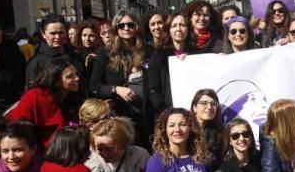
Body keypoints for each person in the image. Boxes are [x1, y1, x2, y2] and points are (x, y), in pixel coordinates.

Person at [90, 11, 153, 150]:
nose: (126, 28)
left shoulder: (148, 50)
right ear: (115, 28)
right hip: (120, 118)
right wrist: (116, 89)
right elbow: (94, 86)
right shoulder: (105, 53)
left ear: (136, 26)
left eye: (130, 24)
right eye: (121, 25)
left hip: (147, 117)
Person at [6, 56, 84, 148]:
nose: (77, 78)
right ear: (56, 82)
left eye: (76, 74)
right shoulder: (37, 95)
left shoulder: (72, 95)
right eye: (70, 76)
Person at [25, 14, 86, 87]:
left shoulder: (75, 55)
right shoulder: (36, 63)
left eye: (61, 33)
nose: (57, 37)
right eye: (53, 33)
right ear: (43, 34)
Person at [148, 12, 189, 116]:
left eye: (182, 25)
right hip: (168, 114)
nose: (178, 29)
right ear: (169, 31)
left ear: (188, 29)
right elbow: (154, 90)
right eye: (174, 26)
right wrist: (165, 112)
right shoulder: (158, 55)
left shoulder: (198, 54)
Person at [190, 88, 223, 160]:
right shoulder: (185, 130)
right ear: (194, 107)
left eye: (213, 104)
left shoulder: (219, 134)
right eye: (204, 103)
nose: (209, 107)